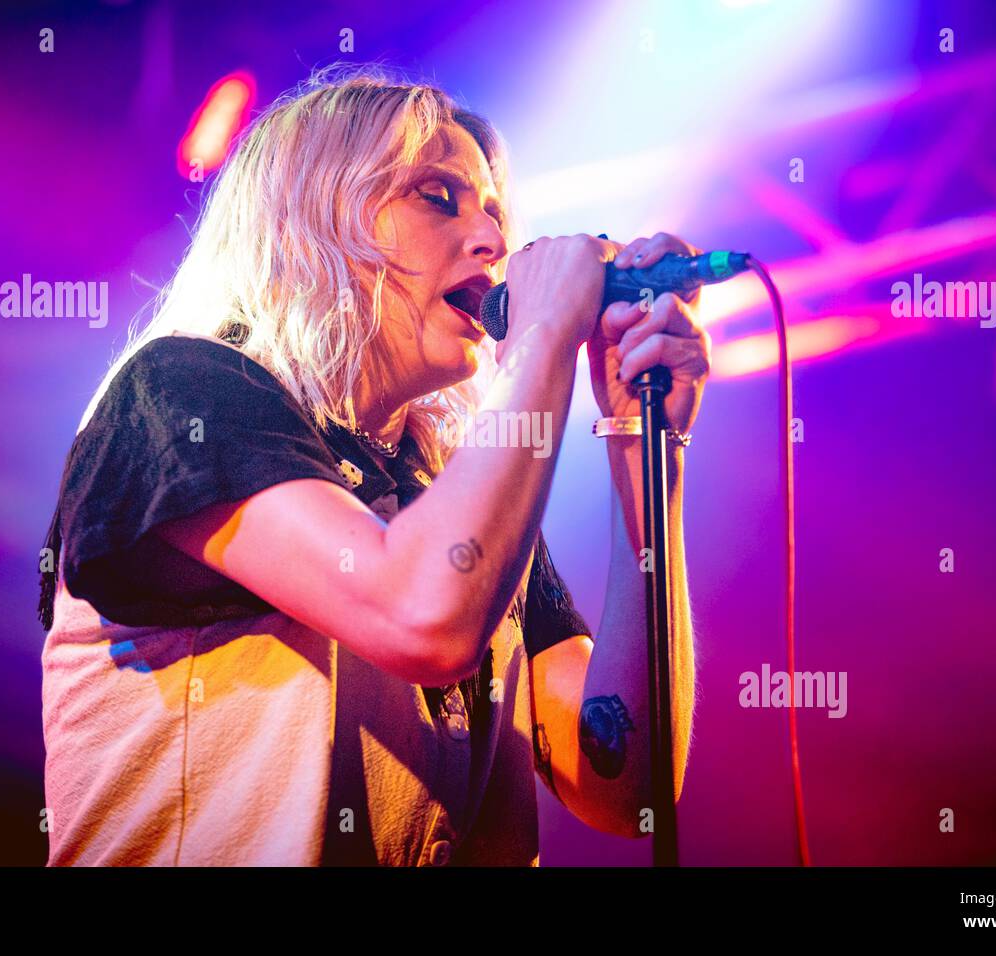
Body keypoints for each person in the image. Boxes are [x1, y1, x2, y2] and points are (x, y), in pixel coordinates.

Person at [36, 65, 708, 866]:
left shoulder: (451, 493)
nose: (494, 242)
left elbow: (625, 785)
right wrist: (543, 337)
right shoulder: (184, 389)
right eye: (438, 197)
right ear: (312, 218)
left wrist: (643, 446)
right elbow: (422, 617)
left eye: (493, 211)